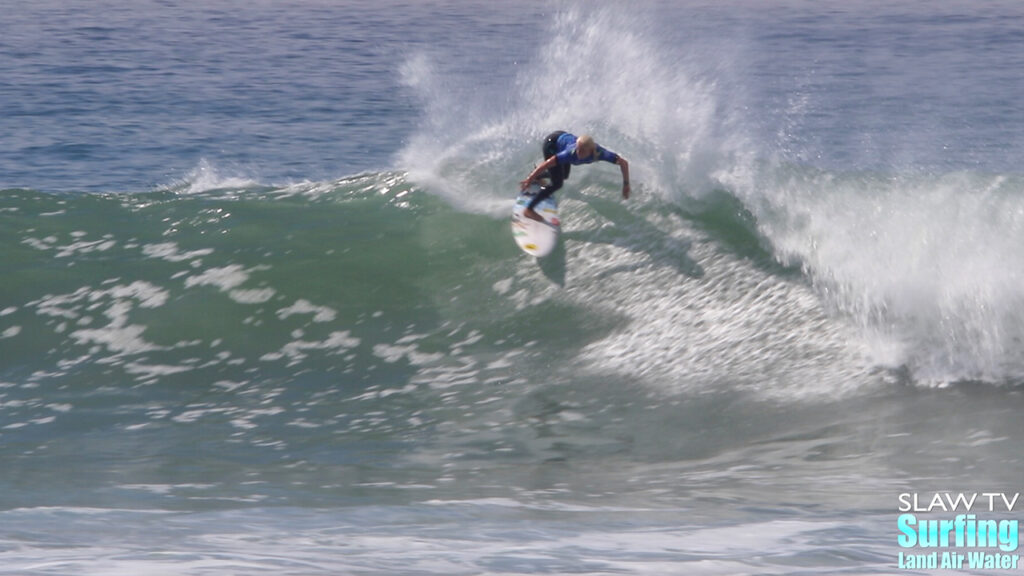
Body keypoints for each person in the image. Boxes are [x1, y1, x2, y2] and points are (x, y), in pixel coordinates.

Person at [519, 131, 630, 222]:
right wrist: (530, 179)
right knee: (557, 183)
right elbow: (547, 163)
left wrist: (626, 184)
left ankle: (539, 177)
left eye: (582, 151)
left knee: (564, 176)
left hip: (561, 140)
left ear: (591, 151)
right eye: (578, 148)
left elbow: (623, 163)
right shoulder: (570, 153)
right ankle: (529, 210)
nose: (578, 152)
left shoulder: (601, 153)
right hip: (551, 144)